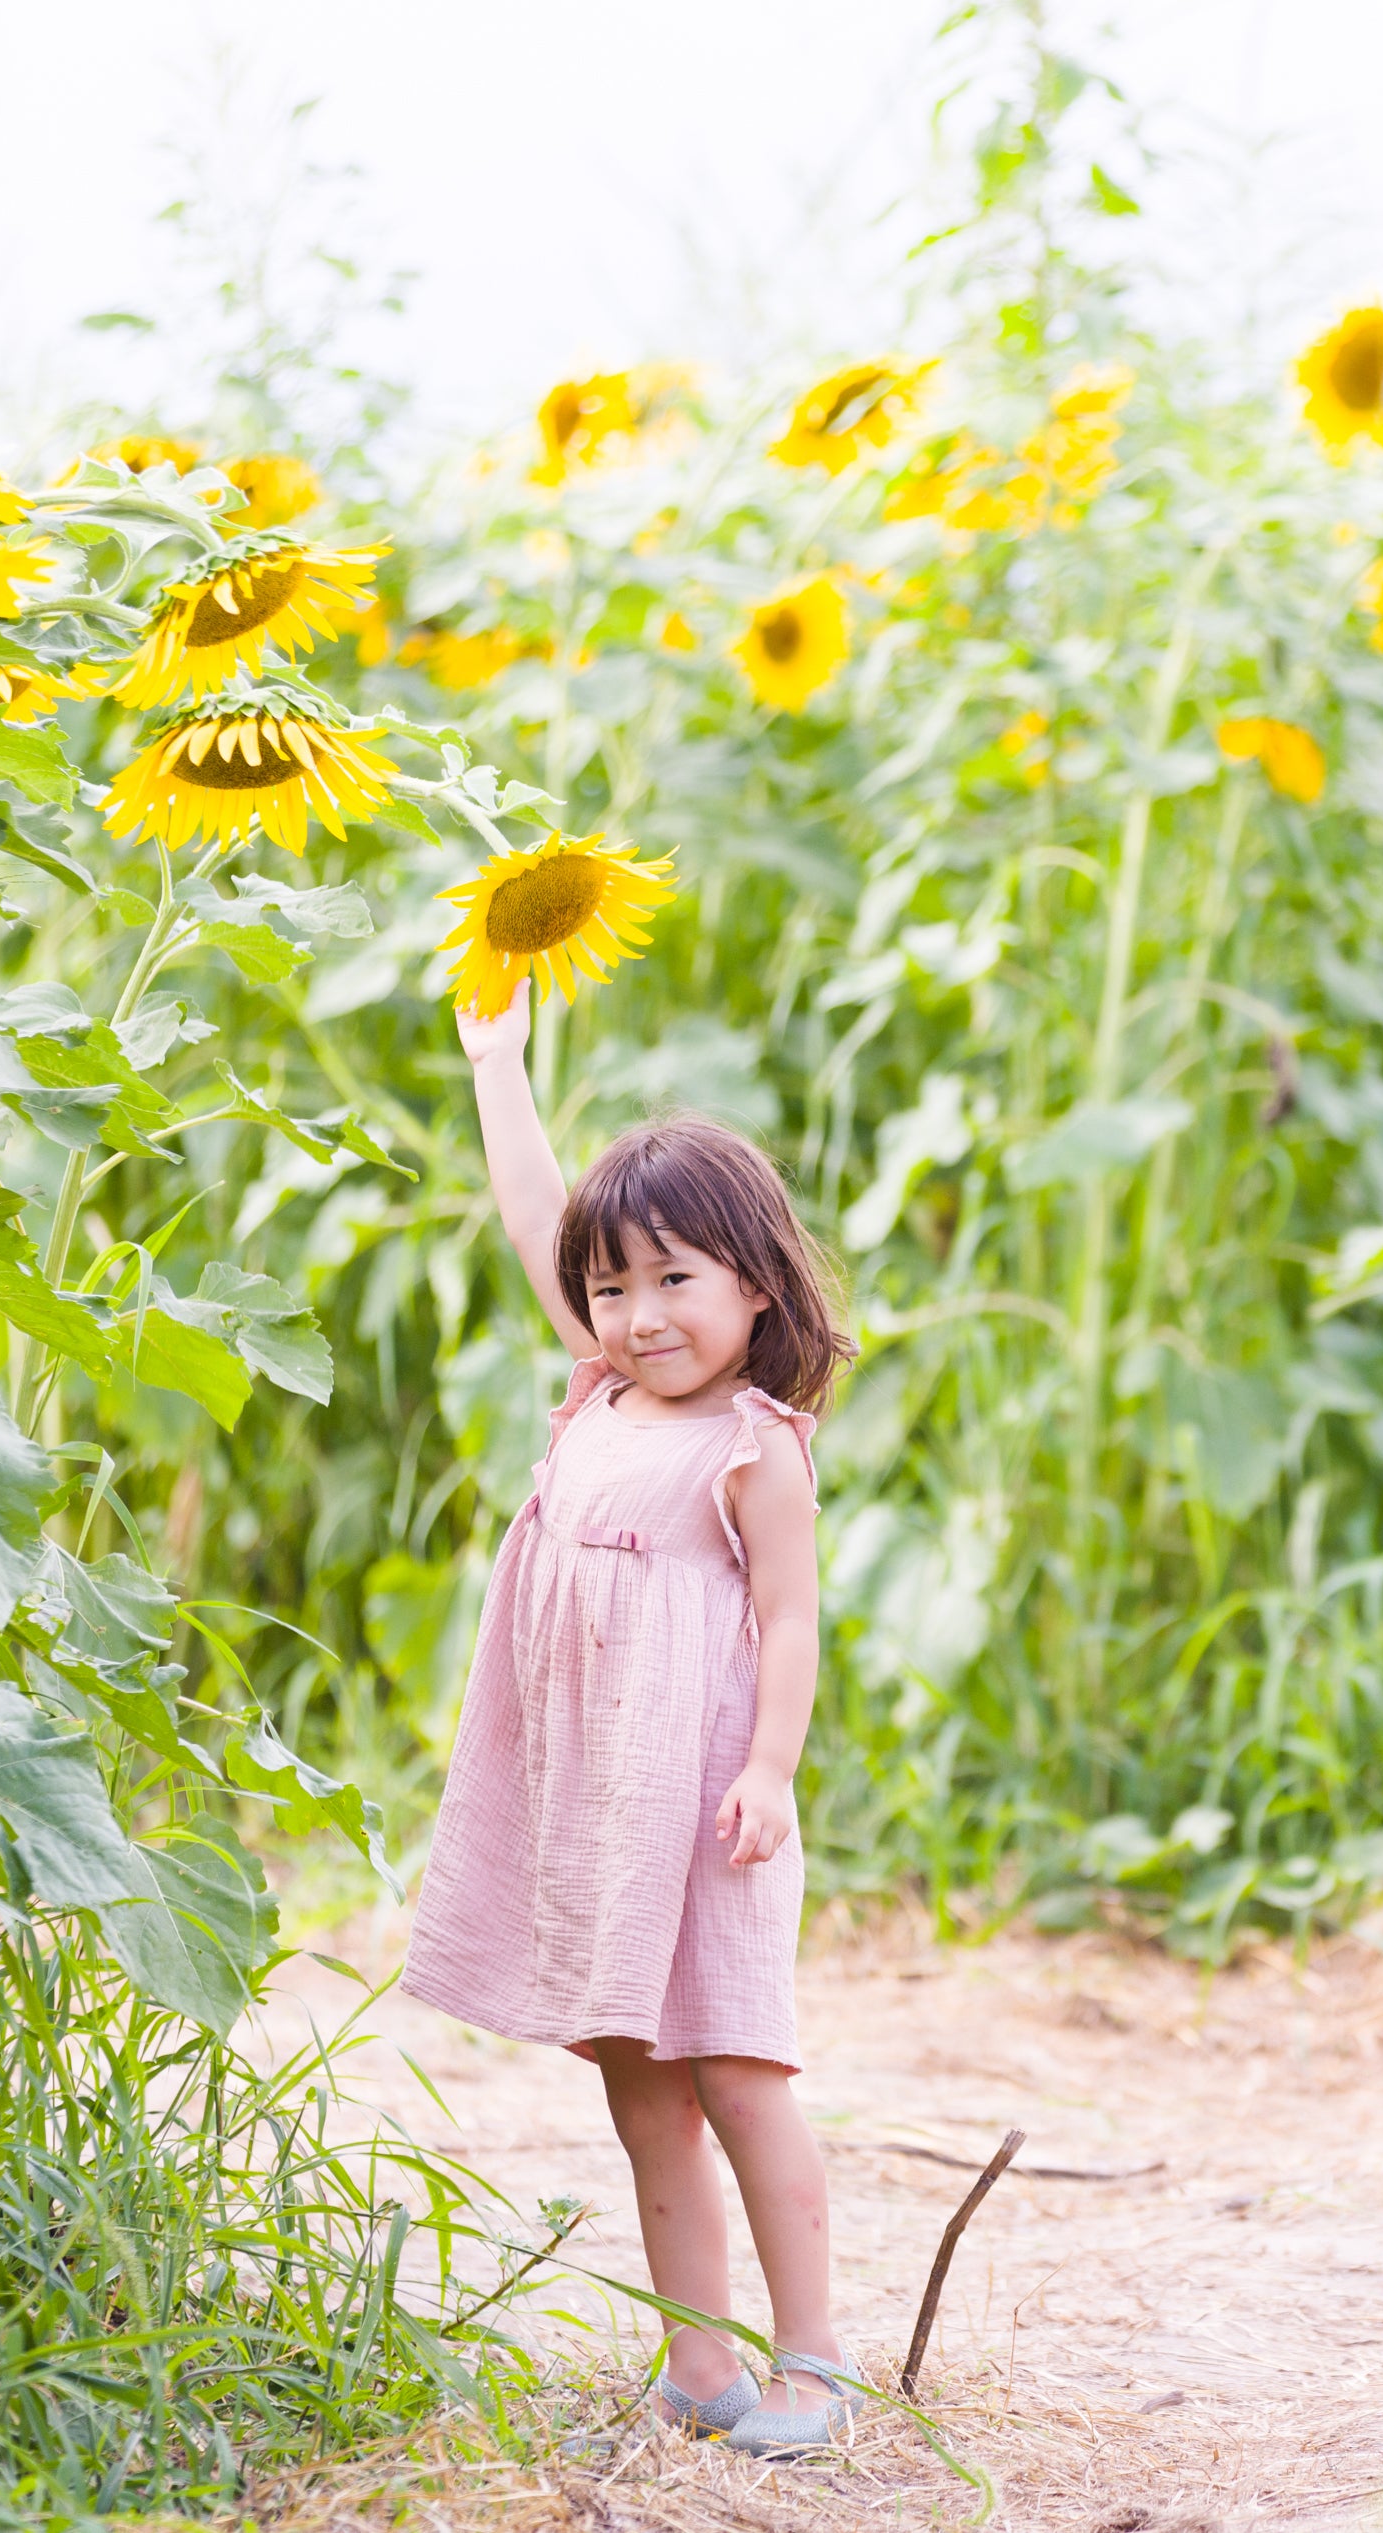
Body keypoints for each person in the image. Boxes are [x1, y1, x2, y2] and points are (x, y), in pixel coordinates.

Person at [399, 978, 863, 2457]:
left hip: (707, 1800)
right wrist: (498, 1063)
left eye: (676, 1282)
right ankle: (696, 2358)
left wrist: (773, 1768)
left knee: (734, 2066)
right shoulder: (598, 1393)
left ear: (756, 1289)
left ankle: (812, 2357)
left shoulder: (751, 1447)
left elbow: (790, 1617)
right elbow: (537, 1210)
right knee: (636, 2078)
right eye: (613, 1288)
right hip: (598, 1796)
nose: (639, 1314)